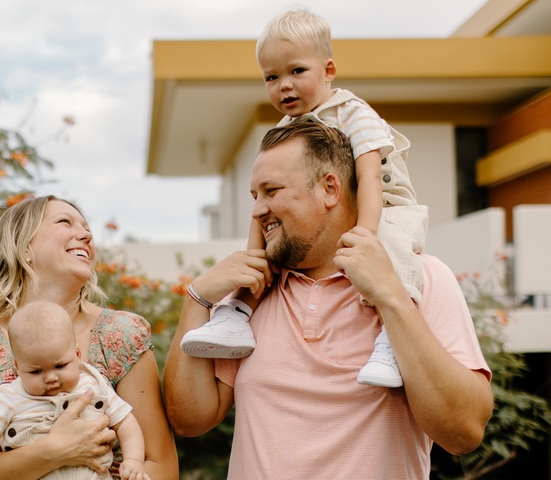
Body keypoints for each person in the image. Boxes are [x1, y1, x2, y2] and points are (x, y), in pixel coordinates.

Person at [164, 119, 493, 479]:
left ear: (330, 189)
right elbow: (189, 420)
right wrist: (197, 300)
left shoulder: (421, 280)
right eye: (254, 196)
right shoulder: (249, 297)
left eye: (271, 191)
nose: (257, 211)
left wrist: (391, 298)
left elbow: (464, 433)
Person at [180, 6, 429, 388]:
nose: (285, 85)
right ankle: (237, 312)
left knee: (390, 251)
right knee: (274, 246)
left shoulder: (352, 112)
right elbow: (263, 198)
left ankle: (392, 341)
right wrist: (255, 257)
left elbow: (370, 176)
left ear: (328, 71)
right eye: (271, 77)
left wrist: (365, 233)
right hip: (330, 215)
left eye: (297, 71)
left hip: (385, 205)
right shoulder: (285, 129)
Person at [0, 195, 178, 480]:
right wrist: (55, 450)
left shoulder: (121, 334)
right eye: (65, 221)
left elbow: (161, 467)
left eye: (87, 228)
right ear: (23, 246)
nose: (87, 235)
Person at [0, 301, 150, 480]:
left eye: (60, 366)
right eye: (36, 371)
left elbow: (126, 423)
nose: (51, 378)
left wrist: (133, 460)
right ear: (17, 367)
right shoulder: (11, 396)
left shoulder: (94, 384)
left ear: (77, 354)